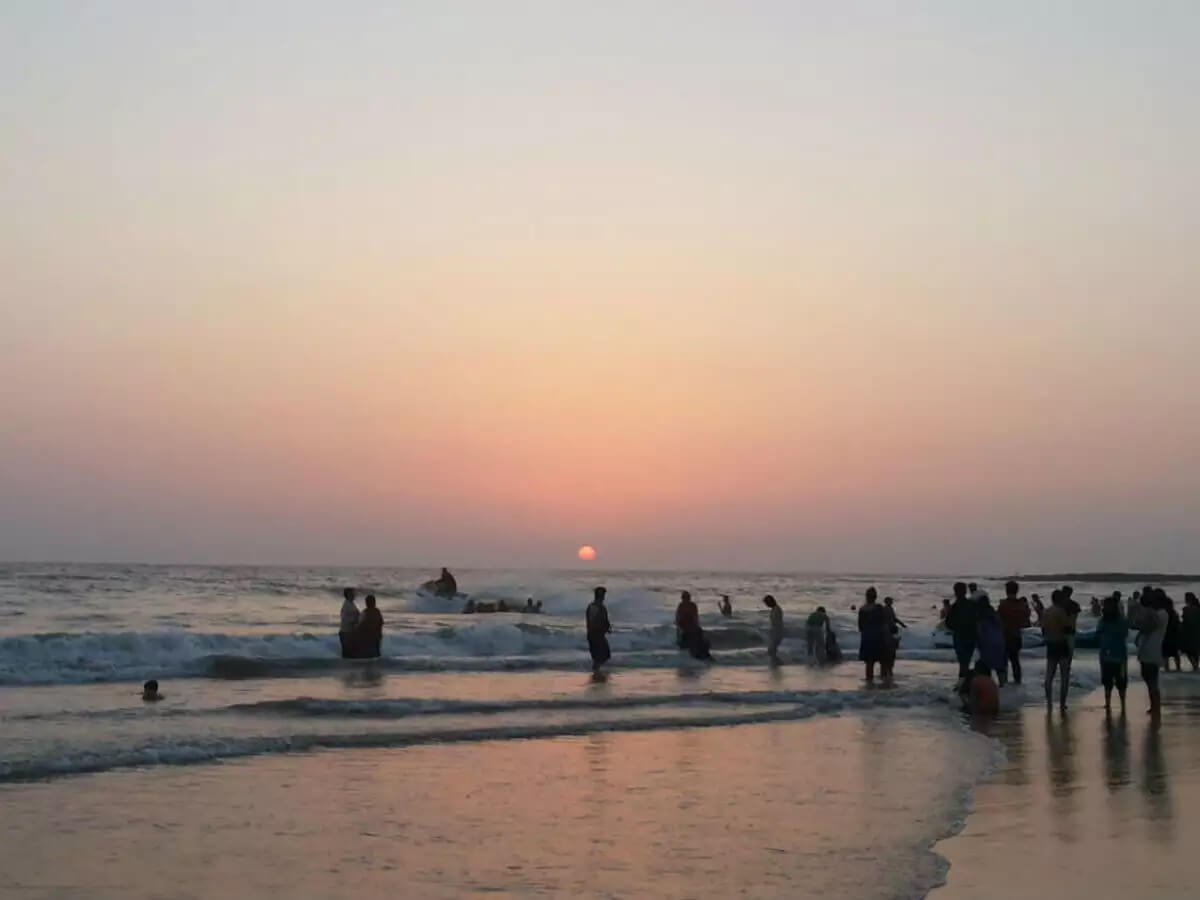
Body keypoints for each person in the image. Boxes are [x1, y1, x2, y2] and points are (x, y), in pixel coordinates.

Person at [1131, 590, 1169, 715]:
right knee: (1151, 680)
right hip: (1151, 650)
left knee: (1151, 680)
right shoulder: (1160, 613)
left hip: (1151, 650)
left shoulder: (1159, 614)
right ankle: (1154, 706)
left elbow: (1146, 626)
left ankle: (1155, 706)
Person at [1041, 591, 1074, 710]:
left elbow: (1043, 630)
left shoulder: (1046, 612)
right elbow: (1068, 628)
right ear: (1060, 600)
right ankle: (1062, 703)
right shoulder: (1061, 611)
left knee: (1049, 675)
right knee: (1064, 675)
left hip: (1051, 644)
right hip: (1061, 643)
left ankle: (1049, 702)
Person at [1096, 593, 1129, 713]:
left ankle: (1109, 703)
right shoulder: (1122, 621)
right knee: (1120, 682)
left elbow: (1098, 633)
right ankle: (1121, 704)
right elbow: (1125, 634)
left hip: (1107, 655)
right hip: (1119, 655)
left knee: (1109, 682)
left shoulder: (1102, 621)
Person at [997, 580, 1029, 685]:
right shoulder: (1022, 605)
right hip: (1016, 636)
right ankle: (1017, 681)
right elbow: (1025, 622)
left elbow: (998, 620)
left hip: (1004, 636)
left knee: (1003, 661)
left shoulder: (1003, 605)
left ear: (1006, 591)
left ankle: (1003, 682)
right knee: (1015, 660)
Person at [945, 581, 977, 682]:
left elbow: (948, 623)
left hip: (959, 637)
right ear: (965, 591)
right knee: (966, 662)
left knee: (963, 662)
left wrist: (956, 628)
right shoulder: (972, 605)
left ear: (955, 592)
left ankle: (962, 682)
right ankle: (964, 682)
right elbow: (977, 620)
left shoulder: (954, 607)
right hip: (971, 637)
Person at [975, 592, 1007, 686]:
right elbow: (1002, 627)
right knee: (1000, 667)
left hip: (987, 644)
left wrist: (977, 643)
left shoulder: (979, 616)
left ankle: (988, 686)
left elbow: (979, 632)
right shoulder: (994, 614)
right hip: (1000, 643)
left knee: (985, 667)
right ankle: (1003, 686)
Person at [857, 587, 888, 683]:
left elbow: (860, 627)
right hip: (878, 636)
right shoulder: (879, 608)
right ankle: (884, 682)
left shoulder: (862, 609)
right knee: (883, 661)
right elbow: (884, 623)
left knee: (869, 663)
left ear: (866, 596)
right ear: (875, 597)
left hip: (866, 638)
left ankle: (869, 683)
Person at [675, 590, 711, 660]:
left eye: (686, 598)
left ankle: (700, 653)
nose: (685, 599)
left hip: (691, 628)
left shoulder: (691, 605)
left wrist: (696, 626)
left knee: (698, 639)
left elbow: (695, 617)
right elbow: (678, 619)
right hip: (686, 628)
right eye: (685, 598)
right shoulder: (682, 606)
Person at [586, 586, 612, 672]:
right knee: (601, 656)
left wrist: (607, 627)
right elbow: (596, 621)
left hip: (595, 635)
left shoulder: (595, 606)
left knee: (602, 655)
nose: (604, 597)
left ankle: (596, 672)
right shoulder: (597, 607)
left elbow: (604, 620)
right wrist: (605, 628)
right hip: (596, 635)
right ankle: (596, 672)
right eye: (603, 595)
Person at [881, 597, 905, 681]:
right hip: (888, 631)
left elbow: (894, 618)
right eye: (890, 601)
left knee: (889, 652)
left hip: (889, 631)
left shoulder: (889, 608)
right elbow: (892, 619)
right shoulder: (886, 609)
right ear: (887, 601)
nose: (892, 602)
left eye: (891, 601)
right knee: (890, 652)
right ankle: (888, 671)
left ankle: (887, 672)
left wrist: (901, 624)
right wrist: (901, 624)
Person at [357, 594, 383, 659]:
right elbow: (381, 623)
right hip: (376, 636)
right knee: (376, 653)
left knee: (369, 654)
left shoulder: (365, 612)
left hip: (368, 637)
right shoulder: (377, 611)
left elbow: (359, 625)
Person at [339, 588, 360, 659]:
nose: (353, 595)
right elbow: (346, 619)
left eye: (353, 593)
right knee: (348, 654)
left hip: (349, 632)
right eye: (351, 594)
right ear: (347, 595)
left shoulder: (352, 604)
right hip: (346, 632)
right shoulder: (347, 605)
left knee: (350, 654)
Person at [1162, 594, 1182, 672]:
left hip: (1166, 635)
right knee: (1175, 653)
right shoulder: (1174, 613)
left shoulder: (1165, 613)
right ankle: (1178, 668)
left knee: (1165, 654)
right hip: (1174, 636)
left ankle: (1167, 669)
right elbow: (1177, 625)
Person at [1181, 593, 1200, 671]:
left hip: (1189, 631)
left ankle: (1195, 665)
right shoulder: (1198, 608)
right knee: (1195, 650)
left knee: (1189, 650)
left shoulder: (1186, 609)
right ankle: (1195, 666)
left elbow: (1185, 621)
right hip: (1196, 631)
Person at [763, 595, 784, 663]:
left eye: (767, 603)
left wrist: (773, 633)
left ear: (771, 601)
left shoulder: (776, 609)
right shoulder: (775, 609)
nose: (767, 605)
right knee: (772, 651)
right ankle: (777, 662)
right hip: (776, 632)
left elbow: (776, 623)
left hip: (777, 633)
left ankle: (778, 663)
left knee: (771, 651)